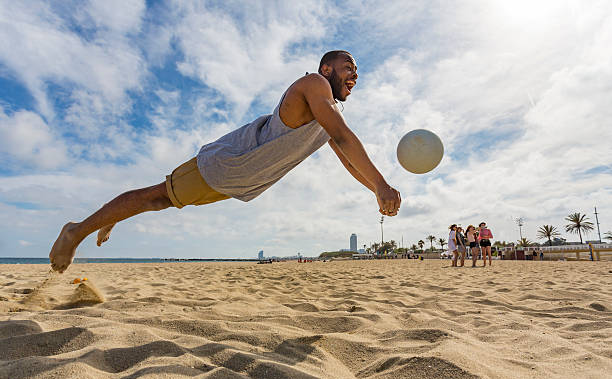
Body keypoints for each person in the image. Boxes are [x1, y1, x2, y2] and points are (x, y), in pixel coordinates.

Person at [49, 50, 402, 273]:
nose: (354, 74)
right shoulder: (314, 84)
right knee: (155, 198)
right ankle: (75, 232)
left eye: (355, 70)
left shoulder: (328, 117)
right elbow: (343, 136)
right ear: (327, 68)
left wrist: (375, 190)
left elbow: (348, 158)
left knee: (158, 201)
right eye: (347, 67)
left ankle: (112, 218)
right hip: (227, 164)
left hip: (241, 181)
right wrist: (383, 184)